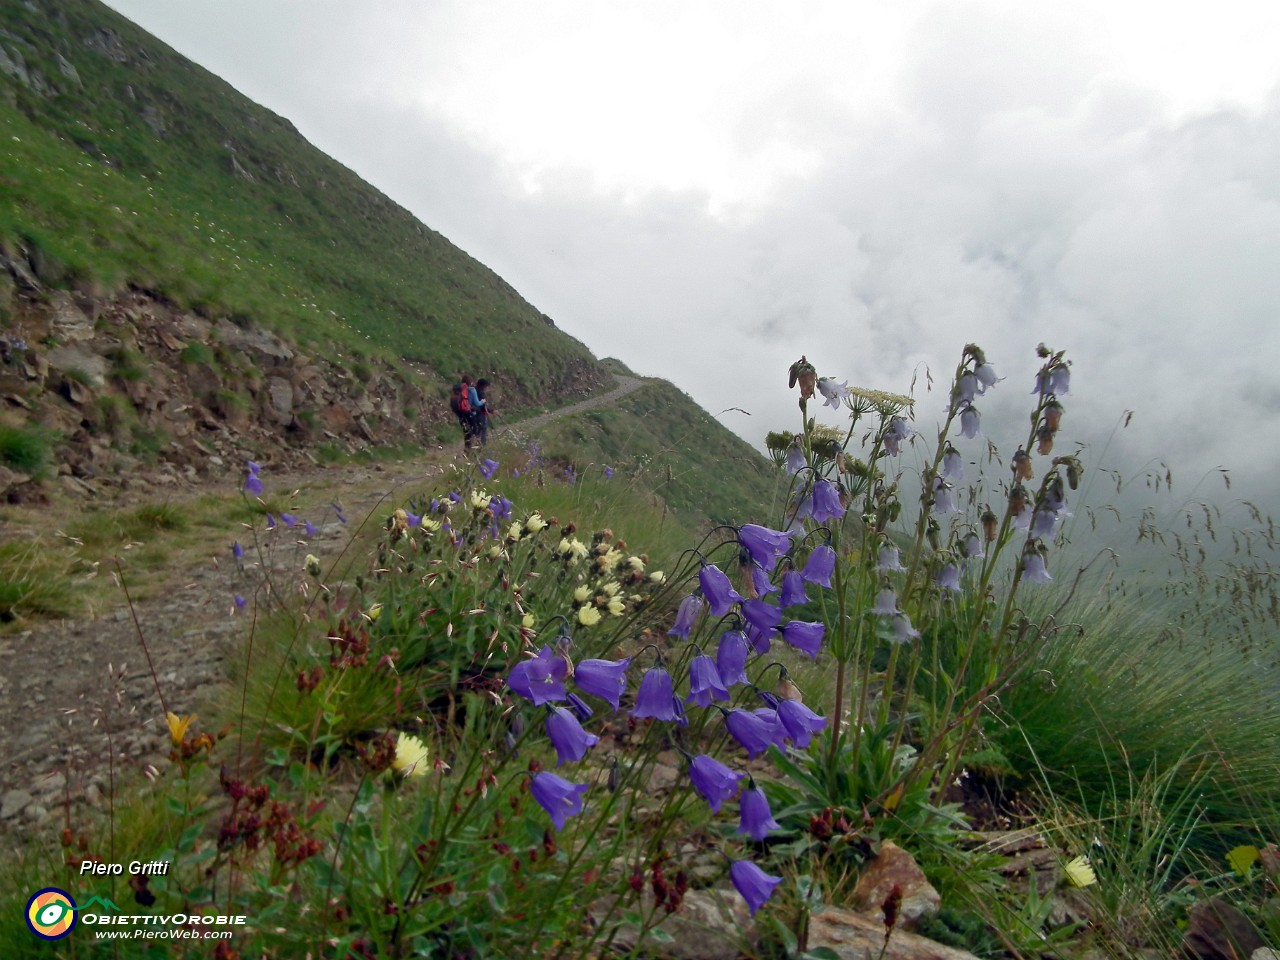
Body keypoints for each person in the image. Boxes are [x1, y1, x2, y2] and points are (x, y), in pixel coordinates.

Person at [452, 375, 475, 449]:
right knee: (473, 429)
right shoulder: (468, 389)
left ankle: (467, 448)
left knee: (466, 430)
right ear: (469, 382)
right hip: (465, 411)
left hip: (459, 412)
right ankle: (470, 448)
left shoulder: (457, 389)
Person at [471, 378, 492, 447]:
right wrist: (492, 410)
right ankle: (481, 447)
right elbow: (483, 406)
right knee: (482, 432)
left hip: (472, 415)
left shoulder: (473, 391)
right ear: (483, 386)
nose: (487, 388)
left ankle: (475, 446)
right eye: (486, 386)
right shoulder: (480, 393)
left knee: (476, 432)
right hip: (480, 415)